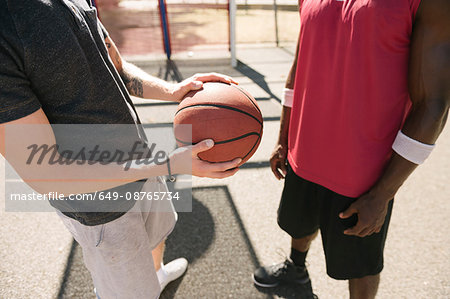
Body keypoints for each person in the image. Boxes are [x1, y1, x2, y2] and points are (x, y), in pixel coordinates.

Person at [0, 0, 240, 298]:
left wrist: (172, 91)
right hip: (100, 204)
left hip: (142, 160)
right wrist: (167, 165)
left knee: (157, 236)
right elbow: (45, 174)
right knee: (128, 291)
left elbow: (114, 67)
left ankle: (156, 277)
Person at [253, 0, 449, 298]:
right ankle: (296, 270)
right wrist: (284, 136)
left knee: (361, 264)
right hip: (304, 150)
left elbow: (433, 104)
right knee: (298, 221)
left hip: (362, 171)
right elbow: (303, 58)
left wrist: (382, 194)